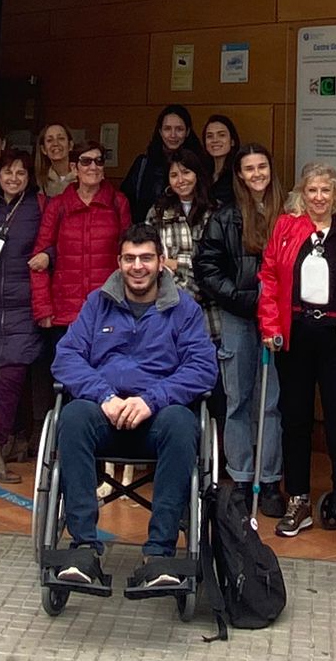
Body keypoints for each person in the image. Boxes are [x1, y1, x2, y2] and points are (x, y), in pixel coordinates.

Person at [48, 226, 220, 594]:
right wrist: (105, 397)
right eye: (129, 258)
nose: (137, 266)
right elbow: (66, 357)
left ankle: (159, 554)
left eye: (146, 258)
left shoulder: (184, 309)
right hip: (104, 414)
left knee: (182, 421)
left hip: (157, 419)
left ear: (161, 263)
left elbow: (204, 368)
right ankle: (83, 548)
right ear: (119, 263)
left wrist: (150, 400)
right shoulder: (98, 303)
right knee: (73, 415)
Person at [258, 160, 336, 553]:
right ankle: (297, 499)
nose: (318, 198)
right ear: (302, 194)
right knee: (295, 421)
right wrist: (270, 327)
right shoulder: (285, 230)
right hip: (295, 340)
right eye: (311, 191)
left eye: (325, 191)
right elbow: (269, 280)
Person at [197, 141, 287, 517]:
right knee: (238, 400)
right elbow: (207, 269)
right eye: (249, 169)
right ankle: (239, 473)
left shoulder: (289, 215)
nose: (256, 175)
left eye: (262, 167)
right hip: (239, 315)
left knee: (270, 402)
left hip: (280, 319)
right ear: (238, 175)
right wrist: (244, 299)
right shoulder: (224, 217)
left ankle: (268, 480)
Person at [30, 139, 133, 406]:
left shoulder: (117, 202)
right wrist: (43, 308)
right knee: (68, 380)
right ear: (74, 167)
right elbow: (38, 259)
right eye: (86, 161)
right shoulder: (58, 205)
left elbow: (129, 256)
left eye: (99, 161)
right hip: (66, 312)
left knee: (108, 378)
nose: (93, 167)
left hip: (109, 308)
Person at [0, 147, 44, 481]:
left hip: (23, 302)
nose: (13, 178)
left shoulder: (39, 207)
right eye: (7, 172)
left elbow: (54, 242)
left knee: (13, 375)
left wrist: (48, 255)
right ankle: (14, 436)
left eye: (20, 172)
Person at [144, 143, 218, 342]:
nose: (180, 180)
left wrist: (177, 263)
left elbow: (217, 264)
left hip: (210, 310)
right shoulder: (157, 212)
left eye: (186, 172)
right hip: (169, 304)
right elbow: (150, 259)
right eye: (174, 175)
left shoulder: (215, 211)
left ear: (197, 174)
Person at [122, 104, 194, 223]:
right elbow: (127, 202)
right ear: (160, 131)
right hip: (147, 234)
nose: (173, 135)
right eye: (167, 129)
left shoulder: (199, 163)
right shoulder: (143, 164)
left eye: (179, 129)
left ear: (187, 131)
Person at [199, 114, 241, 205]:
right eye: (209, 136)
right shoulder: (201, 173)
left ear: (232, 141)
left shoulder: (239, 173)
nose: (215, 140)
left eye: (221, 135)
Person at [35, 122, 77, 197]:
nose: (55, 144)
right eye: (49, 140)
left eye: (61, 139)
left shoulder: (83, 177)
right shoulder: (39, 182)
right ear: (43, 149)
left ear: (70, 145)